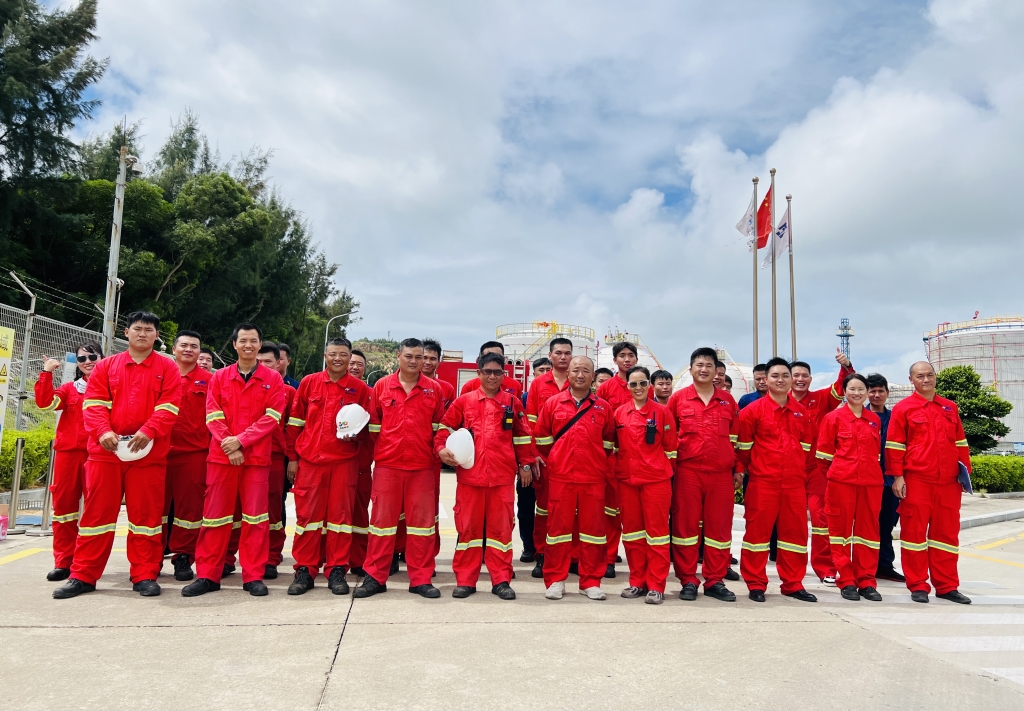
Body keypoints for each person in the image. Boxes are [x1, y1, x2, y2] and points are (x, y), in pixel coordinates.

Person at [53, 312, 182, 599]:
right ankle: (83, 575)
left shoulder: (167, 368)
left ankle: (145, 574)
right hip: (105, 453)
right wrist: (102, 432)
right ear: (126, 332)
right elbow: (94, 404)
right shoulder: (106, 366)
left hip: (148, 454)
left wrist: (149, 430)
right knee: (96, 516)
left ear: (157, 335)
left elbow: (170, 405)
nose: (142, 334)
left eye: (149, 330)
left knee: (146, 519)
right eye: (137, 328)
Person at [182, 323, 287, 598]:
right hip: (222, 458)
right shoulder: (219, 377)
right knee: (214, 518)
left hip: (255, 460)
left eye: (253, 340)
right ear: (234, 345)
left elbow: (272, 418)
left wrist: (241, 441)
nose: (248, 345)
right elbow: (212, 415)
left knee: (256, 520)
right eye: (243, 340)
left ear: (259, 344)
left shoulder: (273, 380)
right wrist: (230, 444)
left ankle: (253, 576)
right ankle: (208, 575)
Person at [436, 352, 536, 600]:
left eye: (497, 372)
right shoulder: (464, 402)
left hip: (502, 477)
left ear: (504, 374)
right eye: (487, 372)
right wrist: (441, 449)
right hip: (470, 478)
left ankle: (501, 580)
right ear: (478, 373)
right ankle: (465, 580)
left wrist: (525, 465)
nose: (492, 376)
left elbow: (522, 436)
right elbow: (444, 429)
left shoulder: (512, 403)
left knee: (501, 532)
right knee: (468, 531)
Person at [354, 338, 445, 599]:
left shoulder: (434, 390)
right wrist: (386, 450)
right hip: (388, 466)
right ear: (399, 356)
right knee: (381, 525)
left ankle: (421, 579)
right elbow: (374, 426)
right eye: (409, 356)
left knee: (422, 527)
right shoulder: (382, 386)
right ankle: (375, 577)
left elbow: (440, 426)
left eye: (419, 356)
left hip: (422, 467)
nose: (414, 361)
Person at [284, 337, 372, 595]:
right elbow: (295, 423)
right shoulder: (309, 383)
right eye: (333, 354)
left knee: (341, 520)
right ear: (325, 356)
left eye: (343, 354)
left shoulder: (360, 389)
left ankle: (337, 569)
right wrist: (293, 458)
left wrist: (355, 437)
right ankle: (305, 569)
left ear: (350, 357)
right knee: (307, 518)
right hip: (311, 462)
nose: (338, 358)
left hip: (344, 463)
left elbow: (368, 428)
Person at [885, 362, 972, 604]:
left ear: (935, 377)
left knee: (947, 537)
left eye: (930, 375)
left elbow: (960, 442)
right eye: (920, 376)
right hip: (917, 481)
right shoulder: (903, 408)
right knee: (914, 535)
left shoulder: (949, 407)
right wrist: (898, 476)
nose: (926, 380)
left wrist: (965, 474)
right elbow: (894, 445)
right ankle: (918, 585)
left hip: (949, 483)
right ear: (911, 379)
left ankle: (947, 586)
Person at [533, 356, 616, 601]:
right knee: (558, 531)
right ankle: (555, 580)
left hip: (593, 477)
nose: (580, 375)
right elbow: (542, 439)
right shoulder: (553, 403)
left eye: (586, 371)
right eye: (576, 370)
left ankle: (590, 581)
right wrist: (558, 458)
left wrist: (594, 460)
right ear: (567, 373)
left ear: (593, 377)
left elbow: (608, 443)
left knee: (593, 532)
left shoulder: (603, 407)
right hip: (561, 477)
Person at [736, 357, 817, 603]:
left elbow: (807, 449)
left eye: (785, 375)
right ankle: (755, 583)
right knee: (757, 536)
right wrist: (752, 470)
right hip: (763, 483)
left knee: (795, 537)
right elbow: (743, 449)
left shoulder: (801, 412)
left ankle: (793, 583)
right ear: (765, 380)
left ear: (791, 380)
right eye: (775, 375)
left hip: (794, 484)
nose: (780, 380)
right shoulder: (752, 411)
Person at [668, 347, 741, 603]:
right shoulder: (678, 400)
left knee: (719, 529)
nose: (704, 369)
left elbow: (736, 440)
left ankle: (715, 580)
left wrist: (738, 469)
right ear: (691, 369)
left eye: (709, 365)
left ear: (716, 371)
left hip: (720, 474)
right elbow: (669, 438)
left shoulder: (728, 401)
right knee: (685, 528)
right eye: (699, 365)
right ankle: (688, 579)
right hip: (687, 472)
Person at [35, 342, 102, 581]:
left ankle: (88, 562)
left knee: (96, 512)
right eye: (81, 359)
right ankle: (64, 561)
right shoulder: (69, 389)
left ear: (102, 358)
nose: (87, 362)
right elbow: (45, 403)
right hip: (68, 455)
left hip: (99, 454)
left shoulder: (112, 387)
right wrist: (46, 373)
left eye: (92, 357)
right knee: (64, 510)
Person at [815, 373, 885, 602]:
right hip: (841, 484)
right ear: (844, 392)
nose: (857, 393)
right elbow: (823, 457)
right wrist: (840, 474)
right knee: (840, 533)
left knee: (868, 534)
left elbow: (876, 454)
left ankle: (867, 581)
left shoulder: (874, 420)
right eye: (852, 389)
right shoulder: (833, 418)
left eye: (861, 389)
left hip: (871, 484)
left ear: (867, 392)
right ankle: (846, 581)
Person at [613, 365, 677, 604]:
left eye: (642, 383)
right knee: (632, 535)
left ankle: (656, 585)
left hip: (656, 481)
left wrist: (659, 469)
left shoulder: (662, 412)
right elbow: (615, 447)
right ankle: (637, 581)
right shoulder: (619, 413)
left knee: (657, 535)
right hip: (628, 481)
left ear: (649, 385)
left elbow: (671, 449)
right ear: (627, 386)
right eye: (633, 384)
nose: (638, 388)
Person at [790, 350, 855, 585]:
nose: (800, 379)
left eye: (804, 375)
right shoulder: (780, 401)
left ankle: (826, 568)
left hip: (816, 470)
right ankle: (792, 570)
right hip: (789, 469)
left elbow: (841, 387)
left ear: (810, 378)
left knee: (821, 519)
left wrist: (846, 367)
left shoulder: (820, 399)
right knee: (793, 521)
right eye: (795, 375)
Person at [164, 330, 211, 582]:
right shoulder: (162, 375)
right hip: (158, 452)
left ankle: (183, 556)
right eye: (184, 345)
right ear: (174, 349)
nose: (189, 349)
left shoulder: (210, 380)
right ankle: (150, 558)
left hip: (194, 454)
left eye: (194, 346)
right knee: (154, 510)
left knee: (189, 512)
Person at [525, 338, 573, 574]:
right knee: (544, 509)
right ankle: (542, 554)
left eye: (567, 353)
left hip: (574, 460)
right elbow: (529, 423)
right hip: (545, 460)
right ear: (550, 355)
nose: (563, 357)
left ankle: (571, 556)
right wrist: (533, 454)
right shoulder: (538, 384)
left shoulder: (579, 381)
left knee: (572, 510)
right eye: (558, 353)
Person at [595, 341, 639, 578]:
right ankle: (609, 558)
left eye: (631, 355)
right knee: (610, 512)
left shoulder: (642, 385)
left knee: (633, 514)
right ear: (615, 360)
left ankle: (638, 561)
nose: (627, 359)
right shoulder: (606, 388)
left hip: (639, 458)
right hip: (612, 457)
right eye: (622, 355)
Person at [256, 343, 294, 579]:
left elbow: (293, 429)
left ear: (279, 363)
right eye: (259, 361)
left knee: (272, 510)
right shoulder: (242, 385)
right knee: (240, 511)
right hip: (244, 456)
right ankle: (230, 556)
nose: (263, 366)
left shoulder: (289, 392)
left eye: (268, 362)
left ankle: (271, 557)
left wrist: (292, 460)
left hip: (274, 458)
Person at [867, 373, 905, 582]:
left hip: (890, 482)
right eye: (872, 391)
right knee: (866, 526)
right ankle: (865, 566)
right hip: (866, 481)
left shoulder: (895, 419)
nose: (876, 395)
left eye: (880, 391)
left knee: (887, 524)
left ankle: (884, 565)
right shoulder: (860, 417)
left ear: (887, 393)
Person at [421, 338, 455, 562]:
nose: (427, 362)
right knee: (397, 511)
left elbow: (449, 424)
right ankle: (396, 552)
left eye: (432, 358)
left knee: (428, 510)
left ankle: (426, 555)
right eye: (424, 357)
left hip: (430, 458)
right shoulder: (397, 384)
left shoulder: (446, 389)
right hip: (401, 457)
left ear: (439, 361)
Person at [347, 348, 373, 574]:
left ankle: (357, 560)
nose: (355, 367)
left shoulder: (370, 394)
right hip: (333, 463)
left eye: (359, 364)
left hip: (362, 465)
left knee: (359, 514)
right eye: (352, 362)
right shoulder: (324, 387)